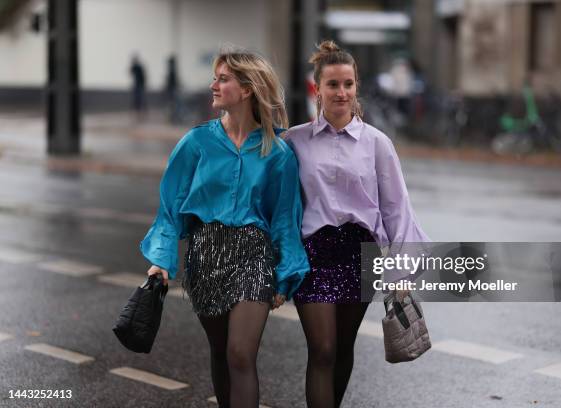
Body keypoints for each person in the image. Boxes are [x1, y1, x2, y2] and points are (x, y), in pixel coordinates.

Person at [141, 49, 309, 408]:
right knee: (220, 352)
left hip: (254, 255)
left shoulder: (278, 153)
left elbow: (284, 218)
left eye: (222, 78)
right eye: (215, 78)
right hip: (206, 255)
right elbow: (170, 207)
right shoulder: (195, 143)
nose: (213, 85)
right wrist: (162, 260)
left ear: (247, 89)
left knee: (240, 354)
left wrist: (284, 274)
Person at [285, 40, 430, 408]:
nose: (342, 92)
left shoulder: (377, 144)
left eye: (348, 84)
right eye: (333, 84)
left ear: (356, 87)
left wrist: (399, 274)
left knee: (343, 348)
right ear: (317, 88)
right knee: (322, 349)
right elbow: (280, 206)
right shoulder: (294, 141)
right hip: (312, 254)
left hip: (359, 254)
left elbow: (398, 210)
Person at [129, 54, 147, 119]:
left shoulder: (139, 67)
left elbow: (143, 76)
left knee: (140, 99)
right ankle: (138, 112)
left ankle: (141, 112)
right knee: (137, 99)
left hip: (140, 85)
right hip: (136, 85)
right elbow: (130, 72)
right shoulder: (135, 67)